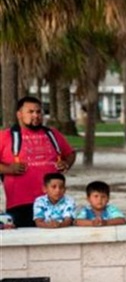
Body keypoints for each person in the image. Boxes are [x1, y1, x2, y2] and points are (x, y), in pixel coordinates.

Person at [0, 96, 76, 227]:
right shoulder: (6, 136)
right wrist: (9, 169)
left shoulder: (53, 134)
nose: (36, 115)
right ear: (19, 114)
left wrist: (66, 164)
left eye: (39, 112)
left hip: (53, 203)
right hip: (21, 203)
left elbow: (70, 154)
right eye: (30, 112)